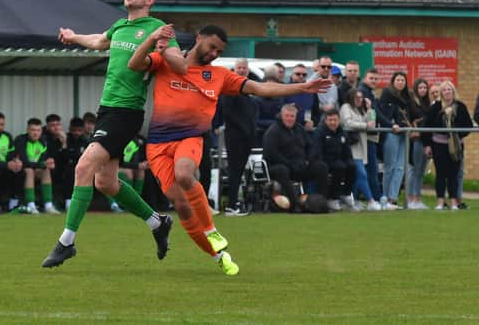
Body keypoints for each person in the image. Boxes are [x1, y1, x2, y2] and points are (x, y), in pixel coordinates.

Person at [128, 24, 331, 274]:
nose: (214, 53)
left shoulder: (219, 76)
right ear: (199, 38)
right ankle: (218, 256)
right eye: (212, 47)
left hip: (190, 138)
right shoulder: (168, 61)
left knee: (184, 174)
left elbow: (261, 88)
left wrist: (300, 87)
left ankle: (212, 231)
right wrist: (151, 40)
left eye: (219, 51)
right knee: (180, 205)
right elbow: (134, 64)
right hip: (158, 144)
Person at [42, 0, 185, 268]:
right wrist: (72, 36)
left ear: (149, 0)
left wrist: (164, 48)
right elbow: (98, 41)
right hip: (107, 109)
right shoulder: (120, 26)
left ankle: (66, 242)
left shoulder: (158, 27)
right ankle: (157, 223)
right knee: (105, 182)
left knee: (84, 166)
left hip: (127, 112)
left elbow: (175, 60)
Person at [263, 104, 330, 211]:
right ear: (281, 115)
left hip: (300, 166)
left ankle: (319, 203)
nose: (290, 118)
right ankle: (294, 204)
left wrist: (308, 159)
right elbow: (271, 154)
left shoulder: (299, 128)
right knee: (282, 170)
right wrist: (289, 163)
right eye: (287, 116)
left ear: (296, 117)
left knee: (321, 167)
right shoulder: (273, 131)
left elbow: (311, 146)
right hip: (278, 167)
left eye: (292, 116)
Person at [422, 81, 472, 210]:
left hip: (455, 146)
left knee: (454, 174)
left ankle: (454, 202)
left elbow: (468, 125)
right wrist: (427, 145)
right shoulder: (436, 107)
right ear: (441, 93)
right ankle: (440, 201)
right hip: (439, 144)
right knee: (440, 173)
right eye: (444, 90)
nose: (447, 92)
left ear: (453, 91)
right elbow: (426, 125)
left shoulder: (460, 106)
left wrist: (456, 136)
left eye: (449, 89)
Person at [218, 58, 255, 216]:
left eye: (244, 68)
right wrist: (244, 129)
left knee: (239, 171)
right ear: (234, 69)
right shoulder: (230, 88)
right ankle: (231, 205)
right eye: (239, 67)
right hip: (235, 136)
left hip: (246, 137)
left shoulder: (248, 89)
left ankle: (234, 203)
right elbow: (228, 113)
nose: (242, 70)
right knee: (234, 170)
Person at [339, 88, 381, 211]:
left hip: (361, 147)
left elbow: (370, 123)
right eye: (357, 97)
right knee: (361, 173)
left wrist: (370, 109)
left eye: (361, 97)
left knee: (357, 176)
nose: (359, 100)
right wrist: (364, 125)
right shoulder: (346, 107)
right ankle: (370, 200)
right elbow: (347, 123)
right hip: (351, 147)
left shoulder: (359, 110)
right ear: (351, 97)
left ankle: (353, 201)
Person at [379, 71, 411, 209]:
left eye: (402, 80)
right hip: (392, 133)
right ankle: (385, 198)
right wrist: (392, 124)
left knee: (400, 167)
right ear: (393, 81)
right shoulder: (387, 94)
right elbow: (383, 114)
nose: (400, 82)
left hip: (404, 134)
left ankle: (393, 198)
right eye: (398, 80)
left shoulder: (407, 97)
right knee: (389, 167)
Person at [13, 118, 59, 214]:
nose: (35, 133)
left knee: (46, 170)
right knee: (29, 171)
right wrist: (42, 164)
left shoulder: (43, 142)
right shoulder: (20, 140)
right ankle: (31, 205)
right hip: (19, 173)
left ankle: (48, 205)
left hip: (35, 170)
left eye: (38, 130)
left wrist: (50, 162)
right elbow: (24, 161)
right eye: (33, 130)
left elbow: (44, 160)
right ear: (28, 130)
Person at [358, 67, 391, 201]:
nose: (373, 81)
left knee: (369, 168)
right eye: (371, 78)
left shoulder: (369, 92)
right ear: (365, 78)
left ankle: (373, 197)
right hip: (366, 135)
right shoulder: (364, 92)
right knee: (370, 168)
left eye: (376, 79)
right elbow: (374, 113)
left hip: (370, 134)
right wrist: (390, 125)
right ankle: (376, 198)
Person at [313, 109, 357, 211]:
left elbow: (347, 151)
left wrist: (349, 160)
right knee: (339, 167)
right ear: (325, 120)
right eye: (330, 120)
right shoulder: (320, 132)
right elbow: (317, 151)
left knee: (352, 166)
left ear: (339, 120)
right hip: (325, 161)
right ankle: (333, 198)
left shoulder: (342, 132)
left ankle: (346, 194)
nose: (332, 122)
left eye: (335, 120)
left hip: (339, 160)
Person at [0, 112, 21, 213]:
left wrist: (15, 162)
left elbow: (11, 154)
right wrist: (6, 165)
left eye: (1, 124)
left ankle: (13, 203)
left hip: (5, 165)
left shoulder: (7, 136)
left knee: (18, 170)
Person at [406, 78, 430, 209]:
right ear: (416, 88)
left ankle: (417, 198)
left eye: (425, 88)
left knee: (421, 171)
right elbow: (409, 119)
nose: (423, 90)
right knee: (414, 169)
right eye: (420, 87)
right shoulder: (411, 103)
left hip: (425, 140)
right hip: (415, 140)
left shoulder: (426, 103)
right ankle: (410, 199)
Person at [61, 117, 89, 211]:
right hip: (67, 168)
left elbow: (85, 157)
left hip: (82, 168)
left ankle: (81, 203)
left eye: (79, 130)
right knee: (70, 172)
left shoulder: (85, 141)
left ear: (83, 130)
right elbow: (64, 157)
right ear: (70, 129)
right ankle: (68, 202)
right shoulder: (66, 139)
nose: (77, 133)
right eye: (74, 130)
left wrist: (72, 155)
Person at [284, 63, 320, 130]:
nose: (301, 76)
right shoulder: (285, 89)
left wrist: (313, 122)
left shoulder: (311, 91)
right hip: (288, 131)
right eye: (298, 74)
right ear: (292, 75)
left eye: (304, 75)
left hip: (306, 131)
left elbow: (316, 113)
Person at [43, 113, 67, 210]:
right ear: (47, 127)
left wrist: (64, 143)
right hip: (47, 167)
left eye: (58, 125)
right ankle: (48, 204)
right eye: (53, 125)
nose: (56, 128)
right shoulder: (43, 138)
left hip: (60, 169)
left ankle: (67, 202)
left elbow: (66, 158)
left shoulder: (62, 138)